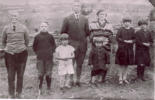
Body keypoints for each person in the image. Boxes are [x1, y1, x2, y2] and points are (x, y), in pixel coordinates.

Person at [61, 2, 90, 87]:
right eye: (75, 6)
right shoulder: (67, 18)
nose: (76, 7)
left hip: (82, 46)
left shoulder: (85, 19)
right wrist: (67, 43)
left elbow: (87, 32)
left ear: (80, 8)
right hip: (71, 46)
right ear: (72, 7)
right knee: (71, 64)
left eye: (78, 6)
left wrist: (84, 41)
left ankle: (78, 80)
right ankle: (70, 80)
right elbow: (63, 32)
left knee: (80, 64)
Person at [1, 12, 29, 98]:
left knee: (20, 74)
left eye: (16, 16)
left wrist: (21, 48)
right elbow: (3, 41)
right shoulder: (6, 28)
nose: (14, 18)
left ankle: (19, 93)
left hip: (21, 54)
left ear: (18, 17)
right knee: (10, 75)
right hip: (10, 55)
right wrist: (8, 49)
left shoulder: (24, 28)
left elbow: (27, 40)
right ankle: (11, 94)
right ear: (10, 17)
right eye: (12, 16)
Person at [32, 22, 56, 95]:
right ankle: (40, 89)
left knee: (49, 74)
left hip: (49, 58)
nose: (43, 27)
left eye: (45, 26)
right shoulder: (37, 37)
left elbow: (54, 46)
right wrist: (38, 53)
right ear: (40, 27)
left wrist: (51, 52)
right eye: (42, 26)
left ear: (47, 27)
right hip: (40, 58)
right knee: (40, 74)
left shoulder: (51, 36)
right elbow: (34, 47)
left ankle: (48, 89)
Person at [115, 18, 135, 85]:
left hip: (129, 49)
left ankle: (124, 78)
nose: (127, 23)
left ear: (130, 23)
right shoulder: (121, 29)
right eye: (125, 22)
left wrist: (131, 41)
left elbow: (135, 39)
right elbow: (117, 38)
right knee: (121, 64)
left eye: (128, 22)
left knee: (127, 64)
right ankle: (120, 78)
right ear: (123, 23)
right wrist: (124, 41)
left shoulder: (132, 30)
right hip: (122, 49)